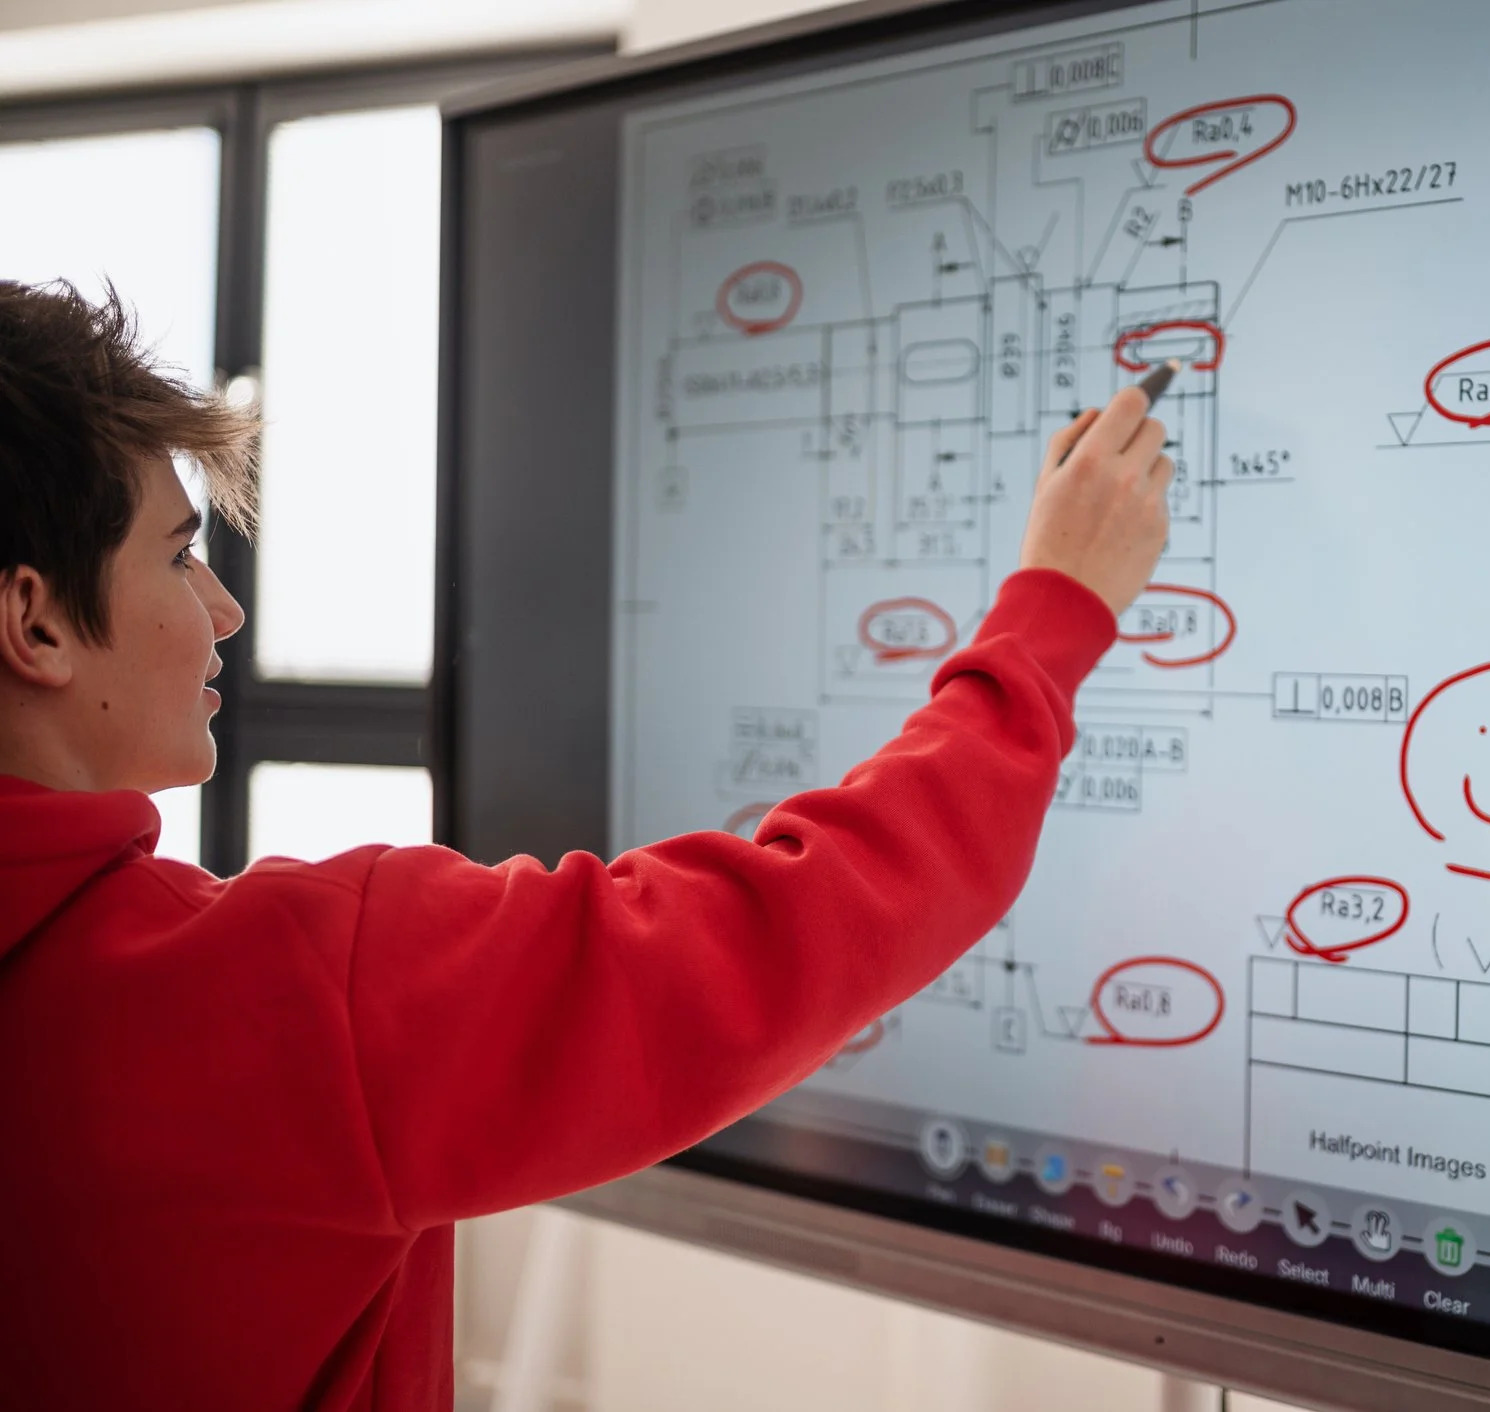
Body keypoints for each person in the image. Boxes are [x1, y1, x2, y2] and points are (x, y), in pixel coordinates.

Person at [0, 279, 1173, 1409]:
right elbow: (791, 928)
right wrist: (1052, 612)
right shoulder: (275, 1001)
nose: (221, 608)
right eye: (175, 553)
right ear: (36, 620)